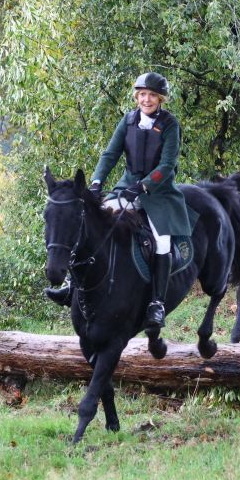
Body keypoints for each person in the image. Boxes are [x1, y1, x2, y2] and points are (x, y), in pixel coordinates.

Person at [44, 72, 191, 328]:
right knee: (93, 224)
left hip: (160, 193)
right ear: (137, 96)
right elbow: (110, 154)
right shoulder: (128, 120)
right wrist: (97, 182)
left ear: (160, 99)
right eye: (142, 94)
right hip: (126, 188)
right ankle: (71, 286)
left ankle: (157, 303)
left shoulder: (170, 124)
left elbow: (167, 165)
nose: (146, 100)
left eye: (152, 95)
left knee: (161, 241)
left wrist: (144, 185)